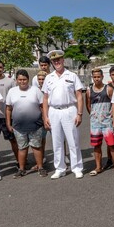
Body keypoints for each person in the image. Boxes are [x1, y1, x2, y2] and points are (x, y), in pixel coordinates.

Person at [41, 50, 85, 179]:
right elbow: (45, 98)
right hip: (53, 111)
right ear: (52, 63)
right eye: (54, 61)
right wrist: (45, 117)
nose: (57, 62)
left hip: (69, 109)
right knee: (57, 142)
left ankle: (76, 167)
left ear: (63, 60)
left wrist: (80, 113)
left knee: (73, 140)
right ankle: (60, 168)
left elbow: (79, 95)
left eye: (59, 60)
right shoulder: (49, 78)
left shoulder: (72, 75)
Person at [5, 69, 47, 178]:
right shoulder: (12, 91)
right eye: (20, 79)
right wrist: (8, 124)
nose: (22, 82)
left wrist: (45, 120)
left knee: (37, 147)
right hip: (18, 127)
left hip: (36, 125)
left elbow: (42, 107)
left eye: (24, 79)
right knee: (22, 148)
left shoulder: (36, 90)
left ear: (28, 79)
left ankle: (40, 167)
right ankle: (22, 169)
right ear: (16, 80)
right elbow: (8, 109)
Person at [85, 68, 114, 176]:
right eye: (95, 77)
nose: (97, 79)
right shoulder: (89, 90)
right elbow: (88, 105)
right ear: (93, 77)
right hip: (95, 123)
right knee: (96, 146)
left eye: (98, 77)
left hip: (107, 122)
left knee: (111, 145)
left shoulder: (109, 89)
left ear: (102, 77)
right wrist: (94, 115)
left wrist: (111, 116)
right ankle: (98, 167)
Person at [0, 59, 18, 164]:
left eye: (0, 67)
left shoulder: (10, 81)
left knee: (13, 140)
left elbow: (15, 97)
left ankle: (19, 161)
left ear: (3, 68)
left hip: (7, 116)